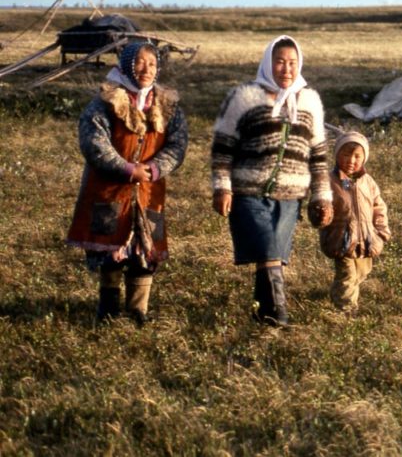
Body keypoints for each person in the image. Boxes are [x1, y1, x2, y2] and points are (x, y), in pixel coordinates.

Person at [211, 35, 333, 327]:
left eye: (292, 62)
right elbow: (223, 147)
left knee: (275, 254)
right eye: (280, 61)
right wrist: (222, 187)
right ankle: (278, 314)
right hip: (248, 191)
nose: (286, 69)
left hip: (291, 194)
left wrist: (322, 195)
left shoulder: (309, 101)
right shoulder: (244, 97)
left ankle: (261, 313)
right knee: (268, 248)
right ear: (268, 62)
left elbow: (318, 154)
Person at [66, 41, 189, 325]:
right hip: (109, 190)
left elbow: (178, 144)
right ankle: (107, 311)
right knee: (111, 253)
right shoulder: (106, 101)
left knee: (145, 252)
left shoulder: (167, 105)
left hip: (149, 191)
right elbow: (93, 141)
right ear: (127, 64)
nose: (146, 69)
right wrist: (125, 168)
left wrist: (156, 168)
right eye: (140, 62)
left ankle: (137, 312)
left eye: (152, 64)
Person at [319, 131, 391, 313]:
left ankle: (339, 291)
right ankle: (346, 309)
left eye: (357, 156)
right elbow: (319, 202)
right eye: (346, 155)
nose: (351, 160)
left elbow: (378, 207)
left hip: (367, 238)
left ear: (364, 158)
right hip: (341, 238)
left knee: (362, 272)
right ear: (336, 156)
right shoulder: (329, 181)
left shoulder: (368, 182)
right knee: (347, 275)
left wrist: (381, 229)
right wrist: (320, 212)